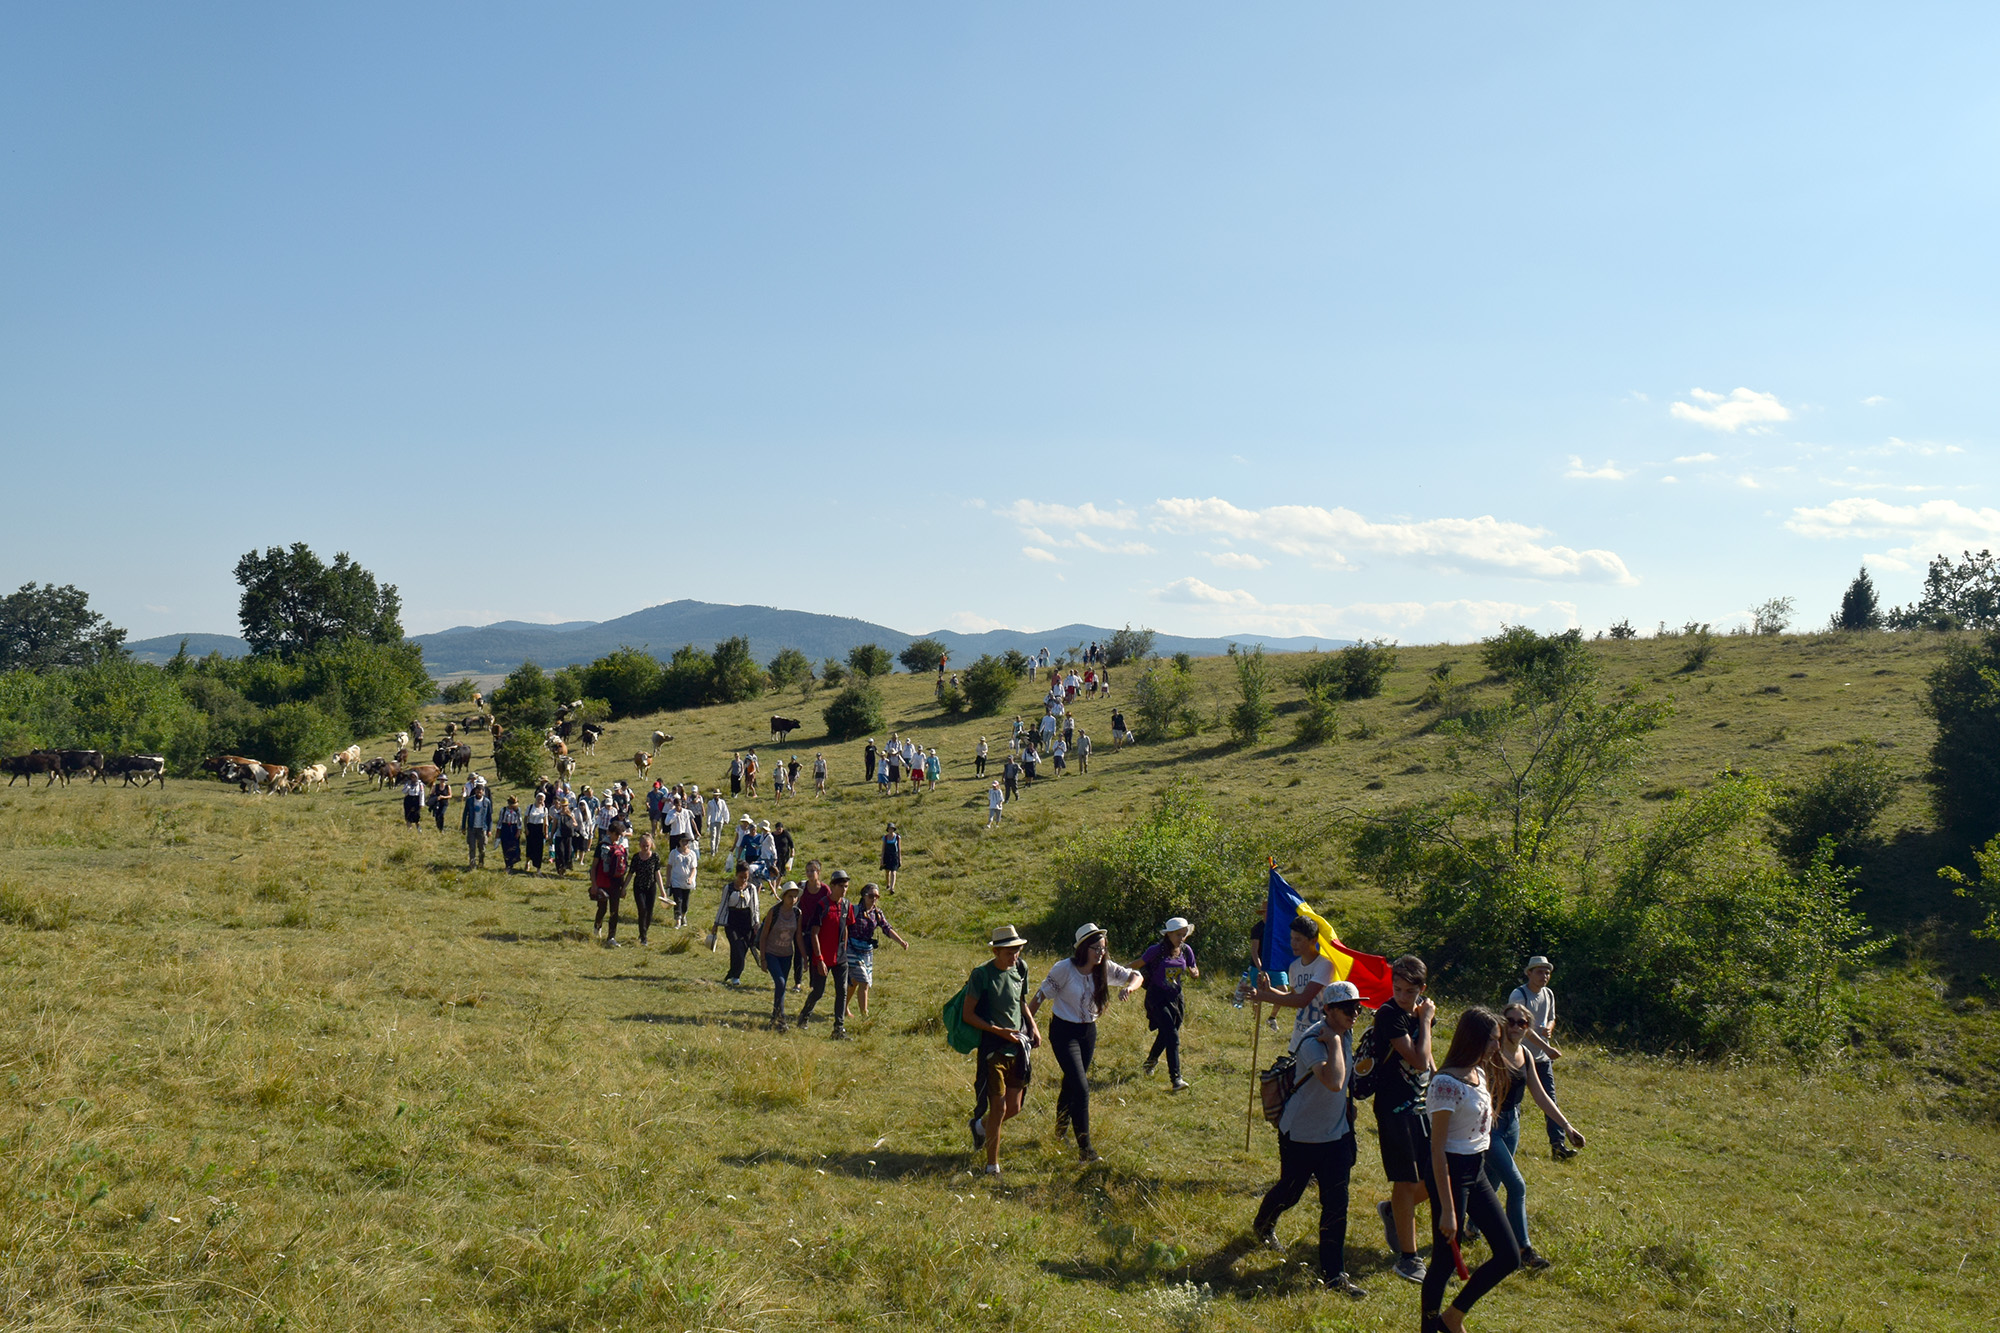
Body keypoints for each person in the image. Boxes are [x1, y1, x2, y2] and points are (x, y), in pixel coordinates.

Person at [1251, 979, 1369, 1301]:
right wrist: (1332, 1043)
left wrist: (1348, 1110)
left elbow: (1345, 1086)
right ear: (1327, 1009)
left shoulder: (1344, 1032)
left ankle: (1334, 1275)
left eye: (1357, 1007)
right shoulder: (1313, 1041)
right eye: (1347, 1008)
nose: (1355, 1012)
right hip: (1301, 1136)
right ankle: (1263, 1224)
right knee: (1290, 1191)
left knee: (1336, 1204)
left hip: (1335, 1137)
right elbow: (1333, 1081)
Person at [1423, 1007, 1527, 1333]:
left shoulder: (1478, 1073)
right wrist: (1448, 1211)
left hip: (1476, 1169)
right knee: (1443, 1262)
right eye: (1493, 1041)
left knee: (1509, 1256)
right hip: (1451, 1173)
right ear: (1474, 1040)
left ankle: (1452, 1317)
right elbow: (1436, 1150)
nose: (1498, 1046)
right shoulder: (1445, 1083)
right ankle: (1428, 1327)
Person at [1028, 923, 1140, 1162]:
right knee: (1081, 1087)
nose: (1100, 953)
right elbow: (1040, 996)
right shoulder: (1064, 969)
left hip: (1088, 1032)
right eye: (1095, 949)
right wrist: (1026, 1026)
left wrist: (1129, 988)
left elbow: (1137, 975)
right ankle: (1086, 1149)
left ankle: (1060, 1131)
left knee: (1071, 1083)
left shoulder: (1105, 969)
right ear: (1082, 949)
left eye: (1103, 948)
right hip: (1063, 1032)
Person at [1487, 1002, 1586, 1272]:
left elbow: (1540, 1095)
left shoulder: (1526, 1056)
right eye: (1511, 1021)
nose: (1517, 1027)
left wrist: (1567, 1126)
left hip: (1512, 1124)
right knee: (1516, 1186)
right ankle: (1523, 1250)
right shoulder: (1492, 1054)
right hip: (1490, 1126)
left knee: (1493, 1182)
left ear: (1528, 1027)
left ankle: (1471, 1228)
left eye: (1523, 1023)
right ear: (1502, 1022)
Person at [1371, 955, 1438, 1285]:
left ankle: (1393, 1212)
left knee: (1435, 1178)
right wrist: (1424, 1020)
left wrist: (1441, 1084)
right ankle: (1409, 1259)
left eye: (1409, 991)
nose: (1401, 996)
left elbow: (1430, 1059)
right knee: (1406, 1180)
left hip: (1423, 1105)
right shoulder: (1389, 1015)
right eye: (1397, 989)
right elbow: (1418, 1058)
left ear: (1422, 989)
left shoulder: (1421, 1007)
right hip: (1394, 1107)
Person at [963, 925, 1041, 1175]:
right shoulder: (981, 975)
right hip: (993, 1049)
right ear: (996, 951)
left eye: (1017, 950)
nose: (1014, 955)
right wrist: (999, 1031)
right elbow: (968, 1015)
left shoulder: (1021, 968)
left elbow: (1020, 1002)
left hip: (1018, 1047)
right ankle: (991, 1166)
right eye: (1009, 951)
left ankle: (980, 1127)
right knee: (999, 1108)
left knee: (1014, 1107)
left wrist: (1033, 1026)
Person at [1507, 956, 1573, 1160]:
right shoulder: (1519, 995)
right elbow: (1521, 1028)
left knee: (1550, 1101)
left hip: (1542, 1058)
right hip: (1518, 1057)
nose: (1544, 976)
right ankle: (1506, 1143)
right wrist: (1547, 1046)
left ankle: (1558, 1146)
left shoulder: (1548, 994)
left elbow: (1551, 1017)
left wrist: (1549, 1030)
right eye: (1539, 972)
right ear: (1529, 973)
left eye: (1547, 972)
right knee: (1512, 1102)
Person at [1140, 917, 1199, 1090]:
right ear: (1169, 934)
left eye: (1184, 934)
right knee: (1172, 1036)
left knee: (1167, 1033)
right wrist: (1118, 974)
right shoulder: (1156, 951)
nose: (1182, 938)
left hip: (1176, 997)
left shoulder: (1186, 950)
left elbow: (1193, 967)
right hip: (1157, 997)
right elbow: (1138, 963)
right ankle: (1176, 1079)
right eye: (1179, 935)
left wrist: (1194, 972)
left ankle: (1150, 1063)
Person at [797, 870, 852, 1037]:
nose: (844, 890)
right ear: (833, 886)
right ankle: (803, 1016)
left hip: (840, 957)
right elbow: (814, 933)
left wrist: (845, 949)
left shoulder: (847, 905)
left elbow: (846, 927)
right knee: (818, 992)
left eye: (846, 887)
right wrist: (819, 959)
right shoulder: (822, 905)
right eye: (841, 886)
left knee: (841, 991)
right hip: (822, 958)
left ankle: (838, 1028)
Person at [843, 882, 907, 1017]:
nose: (874, 899)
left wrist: (901, 942)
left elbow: (887, 928)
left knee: (854, 982)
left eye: (877, 896)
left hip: (867, 951)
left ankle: (844, 1007)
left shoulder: (877, 913)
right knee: (864, 982)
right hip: (852, 949)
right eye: (871, 896)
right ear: (864, 896)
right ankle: (865, 1015)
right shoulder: (853, 910)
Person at [757, 882, 804, 1029]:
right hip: (772, 953)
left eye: (795, 897)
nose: (793, 900)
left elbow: (798, 937)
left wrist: (804, 958)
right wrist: (763, 958)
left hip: (787, 955)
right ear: (783, 896)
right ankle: (781, 1018)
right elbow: (764, 935)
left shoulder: (797, 913)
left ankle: (775, 1018)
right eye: (790, 896)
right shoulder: (774, 911)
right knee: (781, 983)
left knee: (781, 987)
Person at [717, 863, 760, 984]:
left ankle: (734, 973)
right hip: (732, 922)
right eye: (741, 877)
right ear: (736, 875)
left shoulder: (751, 888)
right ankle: (735, 976)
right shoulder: (729, 888)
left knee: (744, 948)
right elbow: (723, 906)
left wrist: (756, 923)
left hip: (746, 922)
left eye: (746, 877)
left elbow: (755, 906)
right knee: (737, 947)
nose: (744, 880)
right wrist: (717, 923)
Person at [591, 827, 630, 947]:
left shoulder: (621, 848)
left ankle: (611, 937)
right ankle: (597, 928)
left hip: (616, 884)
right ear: (610, 833)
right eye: (616, 834)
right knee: (602, 909)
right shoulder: (601, 846)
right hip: (602, 883)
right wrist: (594, 884)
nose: (618, 837)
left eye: (620, 835)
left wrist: (623, 887)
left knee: (614, 911)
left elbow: (622, 868)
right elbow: (594, 866)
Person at [629, 833, 663, 946]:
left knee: (649, 912)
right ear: (639, 845)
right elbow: (630, 874)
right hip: (638, 887)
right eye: (643, 845)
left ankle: (644, 931)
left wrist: (662, 891)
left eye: (647, 845)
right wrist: (623, 888)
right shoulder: (636, 857)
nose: (645, 847)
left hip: (651, 887)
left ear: (651, 845)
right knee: (642, 910)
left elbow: (657, 874)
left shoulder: (655, 857)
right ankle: (643, 937)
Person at [667, 831, 697, 928]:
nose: (685, 843)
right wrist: (668, 880)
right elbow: (669, 866)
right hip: (676, 881)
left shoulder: (692, 854)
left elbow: (693, 868)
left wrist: (690, 878)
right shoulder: (674, 853)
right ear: (679, 842)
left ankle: (684, 916)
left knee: (685, 902)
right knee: (677, 901)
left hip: (687, 883)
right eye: (683, 841)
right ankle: (678, 921)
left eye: (687, 841)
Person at [460, 779, 492, 869]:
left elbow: (489, 816)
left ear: (483, 792)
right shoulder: (470, 800)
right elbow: (465, 814)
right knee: (472, 847)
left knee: (482, 848)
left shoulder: (487, 802)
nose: (479, 793)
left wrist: (489, 829)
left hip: (482, 828)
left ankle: (481, 863)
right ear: (475, 791)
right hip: (471, 827)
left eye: (480, 791)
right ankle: (472, 864)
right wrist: (463, 827)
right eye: (477, 791)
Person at [497, 794, 523, 871]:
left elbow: (519, 821)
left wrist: (519, 830)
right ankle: (507, 864)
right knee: (506, 846)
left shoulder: (518, 810)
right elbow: (500, 821)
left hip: (514, 828)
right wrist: (498, 831)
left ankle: (512, 861)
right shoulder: (503, 810)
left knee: (514, 846)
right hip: (505, 828)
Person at [524, 790, 547, 872]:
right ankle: (527, 862)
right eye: (539, 798)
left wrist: (546, 832)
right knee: (529, 847)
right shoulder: (530, 807)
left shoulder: (544, 809)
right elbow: (526, 818)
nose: (540, 800)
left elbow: (545, 822)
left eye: (542, 799)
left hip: (539, 829)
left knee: (539, 849)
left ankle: (538, 868)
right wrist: (526, 828)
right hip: (531, 828)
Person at [880, 821, 901, 893]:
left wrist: (899, 859)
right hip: (887, 856)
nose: (891, 830)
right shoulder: (885, 838)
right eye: (889, 829)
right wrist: (882, 859)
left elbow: (899, 849)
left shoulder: (897, 837)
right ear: (888, 829)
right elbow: (883, 849)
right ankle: (888, 884)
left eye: (892, 829)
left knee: (893, 872)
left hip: (894, 856)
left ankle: (892, 888)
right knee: (887, 872)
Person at [705, 789, 728, 854]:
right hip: (713, 821)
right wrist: (708, 822)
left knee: (718, 836)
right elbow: (708, 813)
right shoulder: (710, 803)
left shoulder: (722, 802)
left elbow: (725, 811)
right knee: (713, 836)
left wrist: (726, 819)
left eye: (717, 795)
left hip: (720, 821)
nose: (716, 796)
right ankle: (712, 851)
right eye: (715, 795)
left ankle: (716, 848)